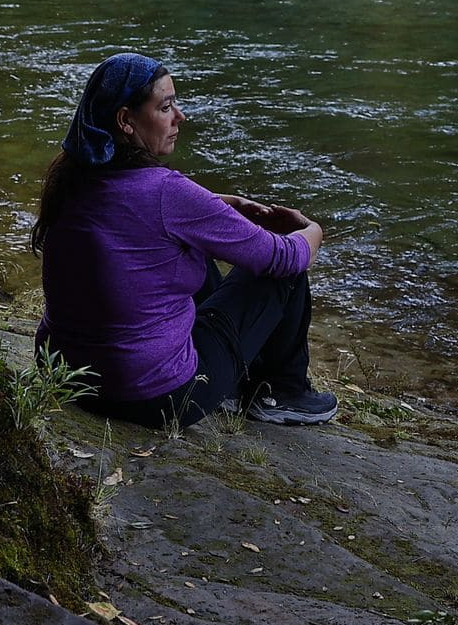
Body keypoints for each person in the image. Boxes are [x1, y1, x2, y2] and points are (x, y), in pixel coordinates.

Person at [32, 53, 336, 428]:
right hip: (155, 396)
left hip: (69, 377)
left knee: (187, 248)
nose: (180, 117)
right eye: (166, 106)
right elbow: (283, 258)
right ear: (126, 121)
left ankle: (247, 380)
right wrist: (311, 230)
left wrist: (219, 206)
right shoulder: (166, 193)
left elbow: (142, 218)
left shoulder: (73, 178)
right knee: (283, 270)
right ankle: (281, 393)